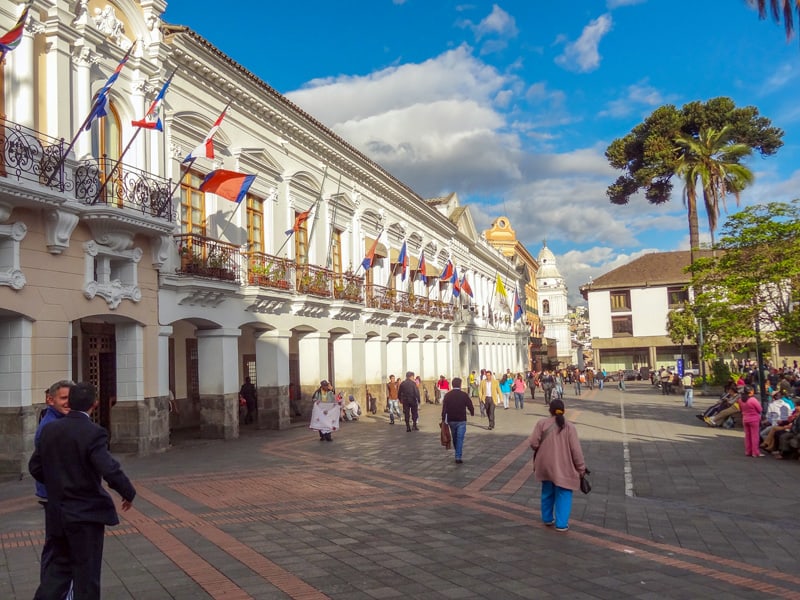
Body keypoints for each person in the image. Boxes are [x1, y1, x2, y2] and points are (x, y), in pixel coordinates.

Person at [29, 382, 136, 600]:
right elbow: (108, 468)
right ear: (94, 404)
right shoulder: (94, 433)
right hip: (85, 514)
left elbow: (35, 467)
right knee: (86, 575)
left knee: (57, 571)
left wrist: (57, 483)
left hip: (57, 512)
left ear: (71, 402)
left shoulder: (49, 429)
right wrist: (127, 491)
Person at [528, 398, 586, 532]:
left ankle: (547, 518)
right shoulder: (569, 427)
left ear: (550, 410)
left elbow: (533, 443)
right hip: (564, 466)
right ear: (563, 411)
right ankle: (561, 523)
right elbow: (576, 451)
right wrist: (581, 468)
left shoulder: (542, 424)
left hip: (545, 465)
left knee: (547, 491)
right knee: (564, 493)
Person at [35, 380, 73, 506]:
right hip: (57, 493)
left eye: (71, 398)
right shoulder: (51, 427)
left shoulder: (62, 421)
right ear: (51, 400)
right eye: (63, 398)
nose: (68, 402)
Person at [441, 377, 474, 464]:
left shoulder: (447, 395)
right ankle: (458, 456)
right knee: (459, 438)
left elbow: (444, 408)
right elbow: (469, 404)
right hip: (461, 420)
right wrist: (472, 412)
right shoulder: (464, 395)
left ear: (452, 385)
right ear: (460, 384)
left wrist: (443, 418)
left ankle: (457, 454)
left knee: (455, 437)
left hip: (451, 420)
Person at [740, 385, 763, 457]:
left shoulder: (740, 400)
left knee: (747, 436)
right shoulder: (753, 400)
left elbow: (740, 409)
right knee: (755, 436)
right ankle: (755, 452)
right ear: (750, 392)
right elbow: (760, 409)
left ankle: (748, 451)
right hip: (754, 420)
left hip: (745, 419)